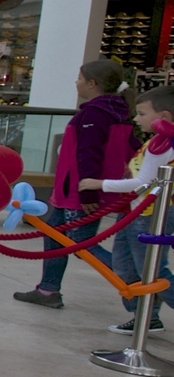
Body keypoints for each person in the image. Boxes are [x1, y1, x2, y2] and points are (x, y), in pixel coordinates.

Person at [14, 58, 133, 309]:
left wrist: (88, 193)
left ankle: (136, 280)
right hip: (75, 190)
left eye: (80, 78)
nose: (76, 83)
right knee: (55, 235)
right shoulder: (118, 113)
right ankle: (48, 289)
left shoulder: (95, 114)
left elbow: (89, 154)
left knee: (81, 245)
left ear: (92, 83)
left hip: (79, 193)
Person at [84, 85, 174, 333]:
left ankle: (146, 316)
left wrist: (100, 184)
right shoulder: (157, 142)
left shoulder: (162, 144)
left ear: (164, 116)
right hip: (136, 212)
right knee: (124, 264)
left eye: (142, 114)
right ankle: (145, 316)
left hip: (149, 214)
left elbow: (143, 182)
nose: (136, 119)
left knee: (152, 270)